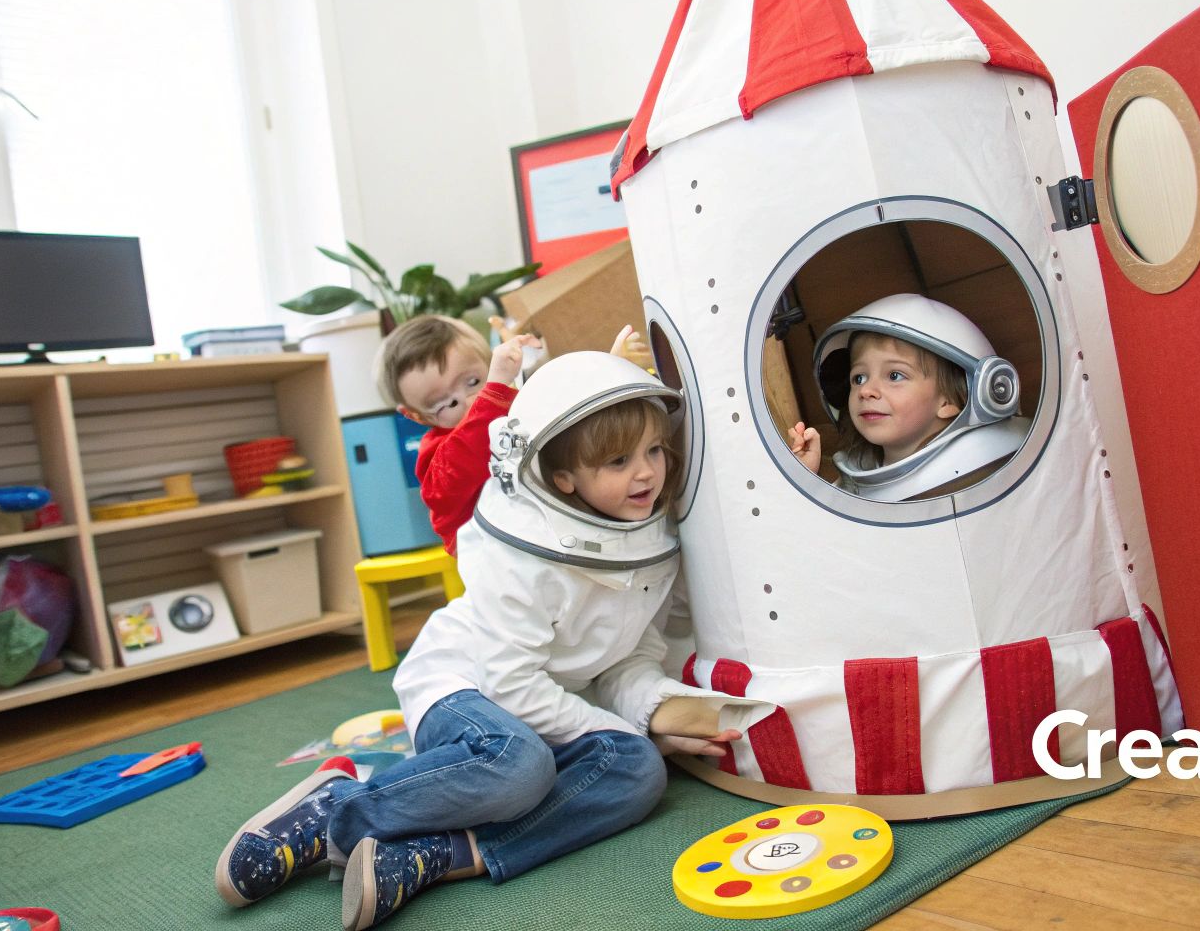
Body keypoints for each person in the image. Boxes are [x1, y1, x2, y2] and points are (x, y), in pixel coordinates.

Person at [217, 352, 762, 930]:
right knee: (519, 764)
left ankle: (441, 853)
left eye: (655, 450)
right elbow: (511, 684)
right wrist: (620, 725)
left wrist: (653, 710)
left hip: (542, 710)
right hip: (464, 685)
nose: (648, 472)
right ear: (563, 479)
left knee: (639, 771)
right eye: (619, 460)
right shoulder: (526, 556)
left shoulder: (644, 538)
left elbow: (626, 656)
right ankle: (335, 810)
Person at [377, 314, 647, 555]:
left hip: (555, 536)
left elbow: (565, 409)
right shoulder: (437, 454)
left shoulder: (508, 403)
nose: (469, 401)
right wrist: (492, 389)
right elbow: (464, 458)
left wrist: (613, 368)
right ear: (418, 416)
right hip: (497, 557)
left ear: (488, 361)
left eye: (473, 382)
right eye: (446, 404)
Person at [789, 293, 1030, 502]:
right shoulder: (852, 480)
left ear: (949, 401)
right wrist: (805, 478)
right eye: (858, 378)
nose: (866, 390)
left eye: (894, 375)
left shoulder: (986, 479)